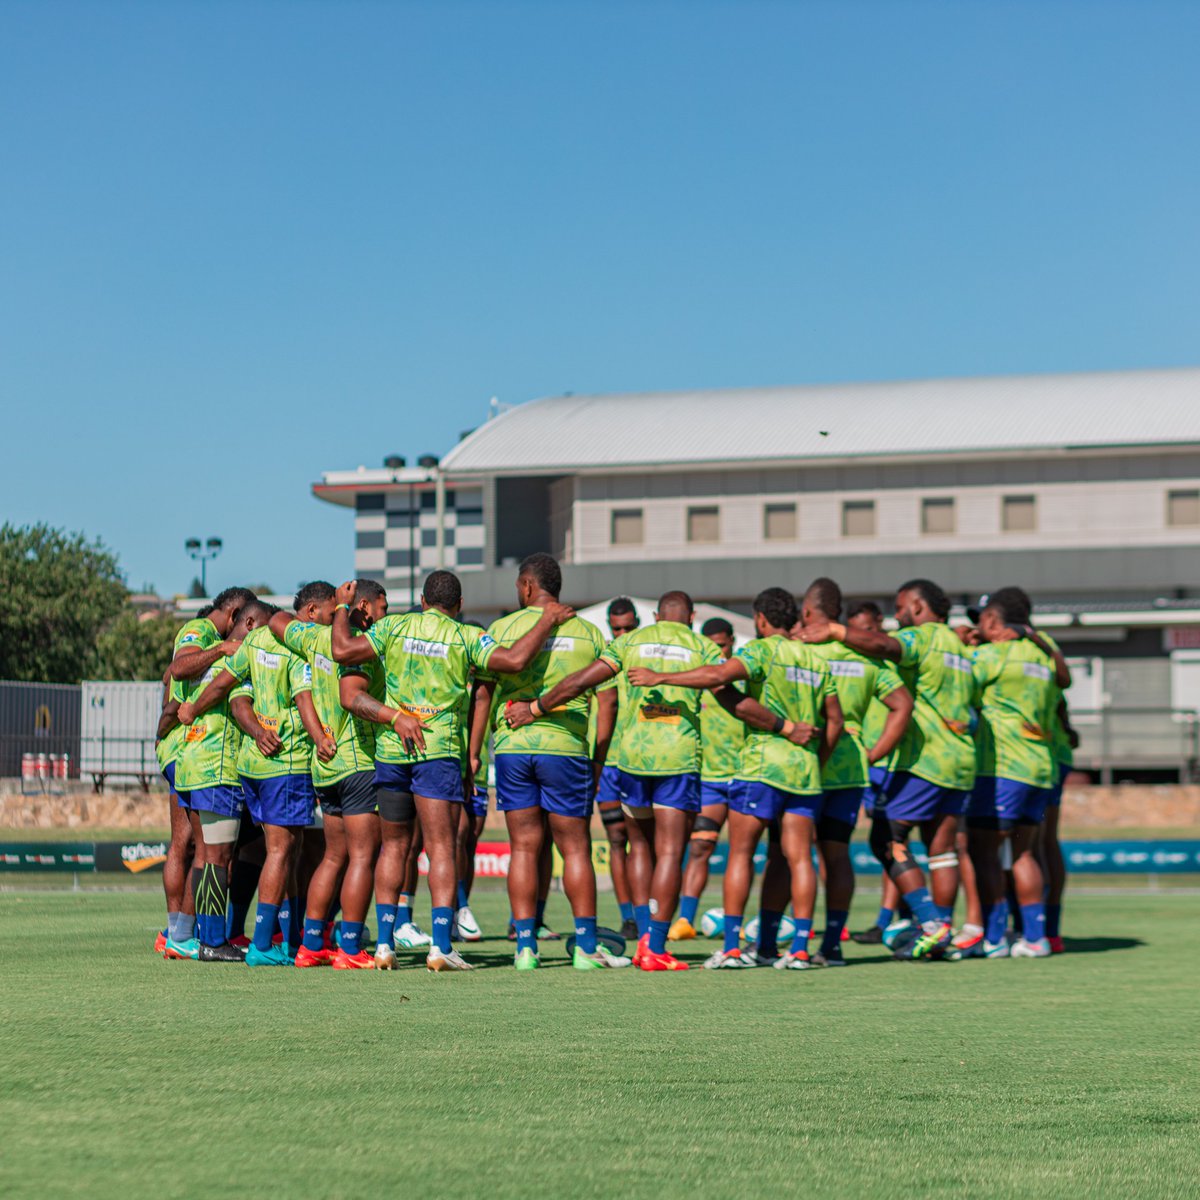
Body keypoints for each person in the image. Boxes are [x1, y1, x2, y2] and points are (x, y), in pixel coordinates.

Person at [332, 569, 574, 972]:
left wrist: (343, 606)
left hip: (393, 748)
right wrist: (547, 620)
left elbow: (342, 650)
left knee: (392, 848)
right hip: (437, 749)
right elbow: (513, 661)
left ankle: (385, 945)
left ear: (424, 601)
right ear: (459, 607)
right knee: (441, 847)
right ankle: (440, 946)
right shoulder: (465, 636)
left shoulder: (394, 625)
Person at [629, 587, 844, 971]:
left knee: (741, 853)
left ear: (761, 620)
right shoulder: (816, 660)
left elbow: (717, 675)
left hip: (762, 766)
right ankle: (797, 950)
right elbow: (835, 721)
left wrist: (659, 676)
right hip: (804, 770)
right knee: (798, 858)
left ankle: (731, 947)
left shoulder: (762, 650)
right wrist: (816, 760)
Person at [508, 590, 722, 971]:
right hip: (677, 757)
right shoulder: (702, 645)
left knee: (637, 847)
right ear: (690, 617)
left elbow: (581, 681)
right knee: (670, 851)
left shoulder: (629, 643)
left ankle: (640, 933)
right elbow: (722, 679)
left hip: (632, 759)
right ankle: (653, 945)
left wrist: (536, 707)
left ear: (656, 616)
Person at [798, 578, 972, 960]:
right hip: (961, 759)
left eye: (900, 607)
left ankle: (930, 924)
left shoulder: (922, 637)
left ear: (918, 605)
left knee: (884, 839)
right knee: (941, 850)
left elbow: (887, 646)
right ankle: (938, 932)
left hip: (924, 759)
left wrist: (836, 631)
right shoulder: (960, 646)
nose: (897, 615)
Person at [474, 554, 629, 970]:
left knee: (523, 847)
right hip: (565, 749)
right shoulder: (587, 632)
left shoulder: (501, 629)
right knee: (575, 848)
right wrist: (597, 760)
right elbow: (609, 701)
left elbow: (483, 692)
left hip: (511, 749)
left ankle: (525, 949)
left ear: (526, 586)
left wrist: (478, 745)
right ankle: (584, 949)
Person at [180, 601, 323, 967]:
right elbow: (303, 698)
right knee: (248, 853)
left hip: (244, 766)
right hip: (260, 764)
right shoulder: (291, 646)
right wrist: (320, 737)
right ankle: (229, 940)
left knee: (232, 854)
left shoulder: (253, 647)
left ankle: (229, 937)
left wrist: (193, 708)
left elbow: (227, 687)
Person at [270, 580, 385, 969]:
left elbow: (276, 621)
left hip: (325, 764)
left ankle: (311, 945)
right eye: (382, 608)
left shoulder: (313, 639)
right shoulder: (360, 645)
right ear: (365, 607)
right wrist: (341, 608)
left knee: (334, 856)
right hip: (357, 761)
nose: (384, 617)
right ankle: (351, 949)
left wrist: (336, 610)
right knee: (363, 857)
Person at [799, 579, 912, 966]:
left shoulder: (802, 649)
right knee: (837, 853)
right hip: (851, 766)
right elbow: (903, 704)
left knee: (796, 855)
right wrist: (876, 752)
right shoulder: (864, 657)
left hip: (806, 764)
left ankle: (791, 942)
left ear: (809, 612)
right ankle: (831, 944)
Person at [966, 593, 1067, 959]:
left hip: (1002, 766)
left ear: (993, 620)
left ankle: (994, 937)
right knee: (1024, 850)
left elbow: (958, 686)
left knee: (984, 849)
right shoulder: (1044, 653)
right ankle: (1036, 937)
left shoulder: (991, 656)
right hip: (1041, 766)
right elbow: (1063, 685)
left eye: (981, 622)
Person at [160, 588, 256, 960]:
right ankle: (205, 939)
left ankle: (184, 934)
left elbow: (172, 695)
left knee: (201, 850)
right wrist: (221, 651)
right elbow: (177, 670)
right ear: (237, 617)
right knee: (206, 852)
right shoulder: (201, 632)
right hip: (207, 760)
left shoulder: (215, 649)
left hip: (191, 757)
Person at [669, 617, 745, 941]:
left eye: (723, 645)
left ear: (732, 643)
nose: (718, 651)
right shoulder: (696, 681)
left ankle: (743, 924)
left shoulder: (746, 675)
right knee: (700, 848)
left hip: (747, 776)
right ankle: (685, 920)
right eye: (712, 646)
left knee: (746, 851)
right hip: (710, 778)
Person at [843, 601, 905, 946]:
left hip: (887, 763)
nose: (861, 637)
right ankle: (901, 917)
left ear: (880, 625)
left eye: (867, 629)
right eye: (856, 631)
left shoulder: (891, 658)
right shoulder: (852, 661)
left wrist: (876, 753)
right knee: (879, 842)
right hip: (860, 764)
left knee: (888, 842)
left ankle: (887, 920)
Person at [594, 597, 639, 940]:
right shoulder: (603, 657)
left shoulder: (644, 653)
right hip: (608, 764)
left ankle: (647, 911)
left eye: (628, 627)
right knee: (616, 839)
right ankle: (628, 917)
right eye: (617, 628)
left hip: (640, 761)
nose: (622, 633)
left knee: (643, 842)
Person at [154, 660, 193, 956]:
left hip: (178, 754)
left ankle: (175, 932)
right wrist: (159, 733)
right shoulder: (203, 641)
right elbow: (174, 703)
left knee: (186, 843)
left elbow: (171, 674)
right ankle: (178, 932)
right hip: (187, 755)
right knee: (204, 847)